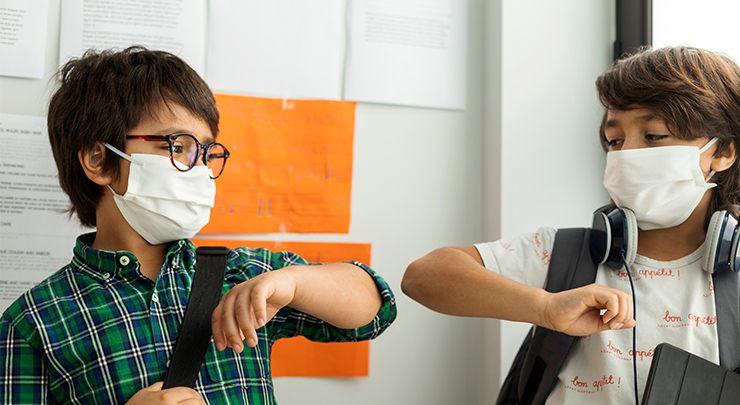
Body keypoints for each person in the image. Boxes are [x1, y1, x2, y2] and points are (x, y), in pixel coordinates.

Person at [0, 46, 396, 404]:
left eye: (205, 152)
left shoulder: (244, 275)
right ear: (99, 160)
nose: (200, 170)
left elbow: (375, 307)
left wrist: (293, 283)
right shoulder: (34, 320)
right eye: (178, 146)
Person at [402, 45, 740, 404]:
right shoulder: (564, 254)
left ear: (723, 152)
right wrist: (544, 308)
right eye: (615, 141)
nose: (625, 155)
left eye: (654, 136)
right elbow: (423, 276)